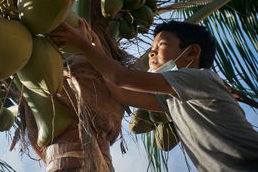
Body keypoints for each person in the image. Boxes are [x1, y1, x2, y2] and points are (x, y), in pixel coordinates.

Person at [50, 19, 258, 172]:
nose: (152, 53)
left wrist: (84, 46)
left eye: (161, 45)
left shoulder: (201, 79)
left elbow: (121, 77)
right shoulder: (172, 99)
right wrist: (98, 51)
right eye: (151, 48)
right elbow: (121, 94)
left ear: (192, 53)